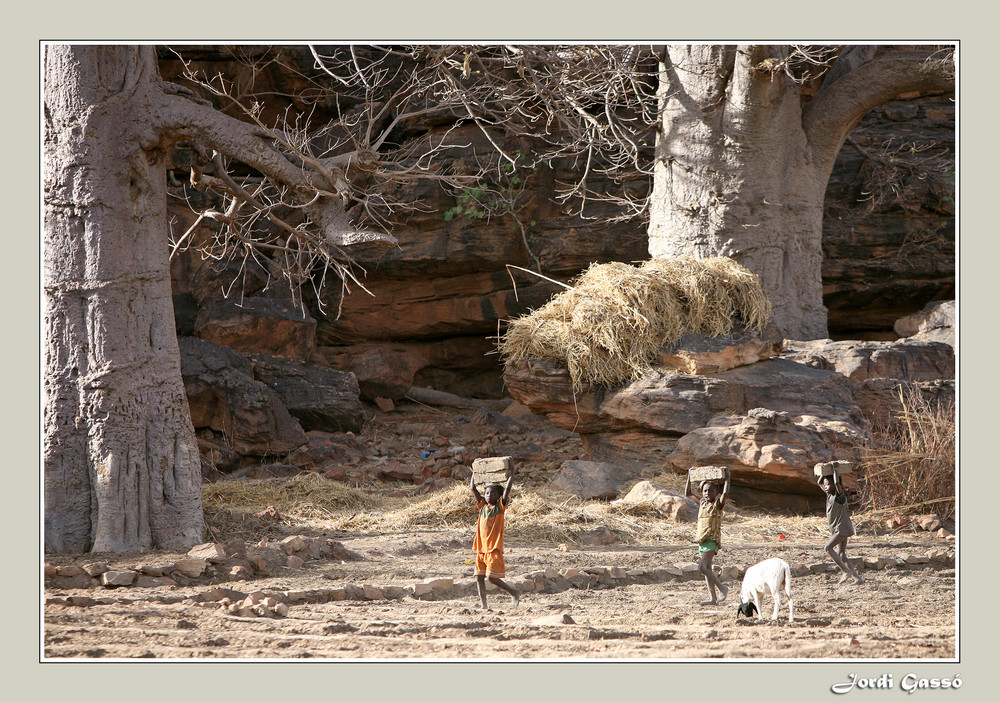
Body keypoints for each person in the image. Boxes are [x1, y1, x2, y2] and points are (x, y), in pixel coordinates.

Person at [469, 470, 521, 609]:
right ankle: (484, 605)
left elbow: (508, 489)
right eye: (487, 493)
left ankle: (514, 592)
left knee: (491, 578)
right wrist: (475, 471)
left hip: (493, 548)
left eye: (493, 493)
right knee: (479, 577)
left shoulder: (500, 508)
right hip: (481, 549)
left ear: (498, 496)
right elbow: (472, 488)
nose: (489, 495)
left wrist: (511, 473)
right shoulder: (482, 506)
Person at [684, 467, 730, 605]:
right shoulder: (702, 503)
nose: (707, 493)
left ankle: (723, 588)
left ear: (716, 493)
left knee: (702, 568)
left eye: (711, 491)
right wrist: (689, 476)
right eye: (705, 491)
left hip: (712, 540)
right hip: (702, 541)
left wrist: (727, 477)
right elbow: (687, 493)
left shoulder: (717, 505)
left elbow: (726, 493)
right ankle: (713, 599)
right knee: (707, 570)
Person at [818, 470, 863, 584]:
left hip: (842, 529)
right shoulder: (829, 495)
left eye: (829, 484)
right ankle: (857, 578)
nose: (826, 487)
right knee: (841, 554)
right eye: (826, 484)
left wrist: (835, 470)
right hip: (838, 529)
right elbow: (819, 483)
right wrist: (824, 471)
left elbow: (838, 484)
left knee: (827, 548)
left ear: (835, 485)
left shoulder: (840, 496)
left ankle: (845, 571)